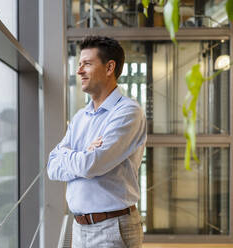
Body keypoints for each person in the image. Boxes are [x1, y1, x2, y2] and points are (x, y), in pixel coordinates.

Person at [47, 36, 147, 248]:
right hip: (79, 228)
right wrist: (83, 154)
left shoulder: (128, 112)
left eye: (87, 64)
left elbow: (91, 164)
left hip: (112, 229)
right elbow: (52, 166)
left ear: (110, 67)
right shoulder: (80, 117)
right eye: (79, 64)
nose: (79, 70)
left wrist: (72, 155)